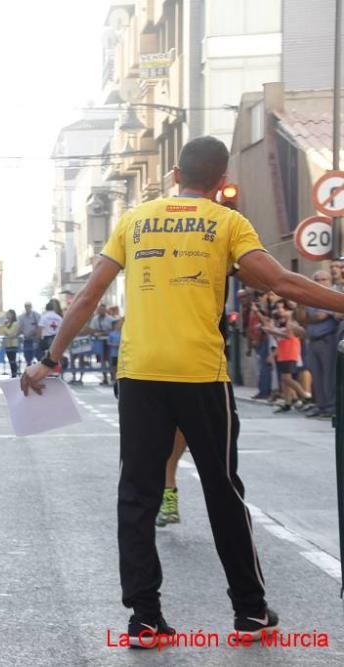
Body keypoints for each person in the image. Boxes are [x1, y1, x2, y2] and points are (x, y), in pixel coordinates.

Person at [20, 135, 344, 646]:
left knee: (137, 494)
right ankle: (250, 613)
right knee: (222, 490)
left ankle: (145, 621)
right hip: (200, 374)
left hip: (141, 373)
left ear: (174, 175)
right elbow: (284, 283)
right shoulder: (228, 222)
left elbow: (87, 296)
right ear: (221, 182)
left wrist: (49, 360)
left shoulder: (134, 220)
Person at [297, 271, 336, 419]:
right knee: (316, 376)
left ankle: (331, 406)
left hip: (327, 339)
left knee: (329, 376)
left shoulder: (331, 295)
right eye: (317, 279)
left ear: (329, 281)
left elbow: (321, 316)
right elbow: (301, 318)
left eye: (324, 279)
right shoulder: (310, 297)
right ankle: (321, 405)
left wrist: (308, 319)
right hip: (312, 340)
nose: (320, 282)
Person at [86, 303, 116, 386]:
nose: (101, 311)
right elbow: (91, 329)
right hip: (98, 341)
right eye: (99, 309)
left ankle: (113, 377)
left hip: (108, 342)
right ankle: (105, 377)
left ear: (105, 310)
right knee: (102, 360)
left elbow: (114, 329)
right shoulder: (95, 319)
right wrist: (96, 333)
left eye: (102, 309)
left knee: (110, 360)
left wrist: (104, 333)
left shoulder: (110, 319)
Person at [18, 302, 41, 366]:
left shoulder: (37, 315)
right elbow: (20, 327)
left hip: (35, 340)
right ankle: (29, 369)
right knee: (27, 357)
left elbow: (39, 327)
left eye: (28, 306)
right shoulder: (21, 317)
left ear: (31, 307)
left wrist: (34, 333)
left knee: (38, 356)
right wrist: (21, 333)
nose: (27, 308)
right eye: (26, 306)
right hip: (26, 340)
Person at [0, 309, 20, 378]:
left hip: (13, 344)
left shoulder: (15, 323)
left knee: (13, 359)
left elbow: (10, 333)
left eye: (9, 314)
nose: (7, 315)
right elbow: (3, 332)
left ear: (13, 315)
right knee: (10, 360)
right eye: (7, 314)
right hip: (7, 344)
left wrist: (4, 328)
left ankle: (15, 373)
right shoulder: (7, 323)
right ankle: (13, 373)